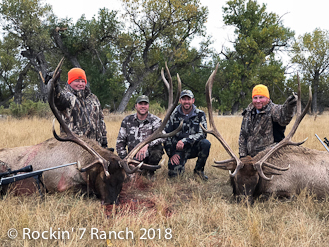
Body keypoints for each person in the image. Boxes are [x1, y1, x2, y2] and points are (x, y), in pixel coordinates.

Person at [54, 68, 108, 148]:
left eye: (83, 81)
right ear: (70, 82)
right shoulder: (66, 97)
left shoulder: (93, 98)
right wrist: (55, 85)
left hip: (96, 147)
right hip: (75, 148)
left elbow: (101, 120)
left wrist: (104, 141)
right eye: (77, 81)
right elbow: (58, 99)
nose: (80, 84)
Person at [239, 84, 297, 158]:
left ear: (268, 99)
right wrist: (242, 156)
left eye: (261, 97)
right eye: (255, 98)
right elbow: (243, 135)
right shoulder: (248, 113)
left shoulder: (274, 110)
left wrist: (289, 106)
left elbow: (284, 118)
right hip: (251, 157)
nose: (258, 101)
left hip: (270, 157)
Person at [164, 89, 211, 181]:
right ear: (180, 101)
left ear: (193, 100)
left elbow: (203, 134)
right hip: (178, 150)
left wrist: (185, 140)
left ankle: (198, 171)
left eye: (188, 99)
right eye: (184, 99)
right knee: (175, 176)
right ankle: (178, 165)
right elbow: (166, 134)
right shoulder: (173, 114)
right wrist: (171, 154)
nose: (186, 101)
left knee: (206, 143)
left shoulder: (200, 114)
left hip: (193, 147)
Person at [116, 95, 164, 180]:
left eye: (145, 104)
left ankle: (150, 172)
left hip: (148, 157)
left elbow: (163, 136)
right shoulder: (127, 120)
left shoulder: (156, 120)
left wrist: (147, 144)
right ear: (136, 106)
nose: (143, 106)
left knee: (157, 150)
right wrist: (126, 160)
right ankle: (134, 170)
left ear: (148, 106)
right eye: (140, 103)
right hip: (132, 159)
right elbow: (120, 143)